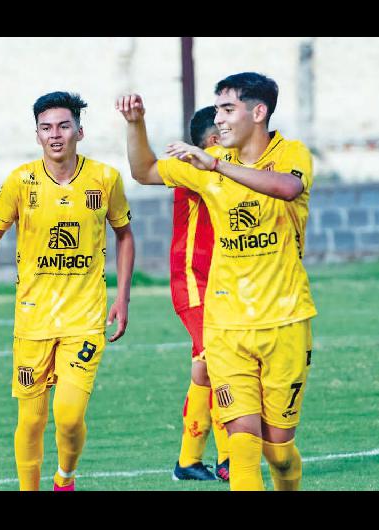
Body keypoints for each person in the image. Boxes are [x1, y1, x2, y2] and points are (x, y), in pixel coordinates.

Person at [116, 72, 316, 491]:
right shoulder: (206, 167)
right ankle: (194, 458)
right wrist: (136, 124)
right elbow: (145, 170)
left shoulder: (291, 153)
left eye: (228, 110)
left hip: (285, 322)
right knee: (242, 451)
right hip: (225, 327)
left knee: (278, 454)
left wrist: (218, 166)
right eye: (218, 110)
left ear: (258, 112)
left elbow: (286, 187)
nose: (219, 120)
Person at [0, 91, 135, 491]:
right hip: (32, 319)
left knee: (70, 414)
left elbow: (125, 236)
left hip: (85, 317)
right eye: (46, 128)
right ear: (37, 135)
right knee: (31, 420)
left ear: (80, 130)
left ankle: (65, 477)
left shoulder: (105, 178)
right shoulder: (20, 181)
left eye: (63, 126)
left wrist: (123, 296)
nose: (55, 135)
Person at [170, 106, 229, 482]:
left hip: (221, 282)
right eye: (225, 130)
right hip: (194, 279)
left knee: (206, 366)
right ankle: (228, 459)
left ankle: (189, 462)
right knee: (220, 361)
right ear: (211, 142)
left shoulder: (221, 167)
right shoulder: (196, 167)